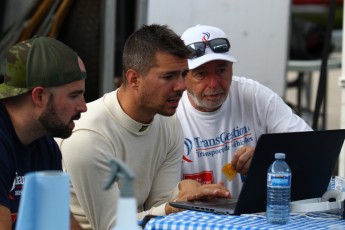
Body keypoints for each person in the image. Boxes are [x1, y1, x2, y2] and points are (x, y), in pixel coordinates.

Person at [57, 24, 230, 230]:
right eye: (168, 77)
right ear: (133, 79)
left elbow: (159, 204)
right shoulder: (87, 136)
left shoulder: (169, 120)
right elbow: (113, 226)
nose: (182, 86)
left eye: (184, 74)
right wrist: (174, 205)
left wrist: (186, 193)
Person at [176, 25, 313, 199]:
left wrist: (267, 157)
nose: (213, 84)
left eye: (221, 70)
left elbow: (311, 150)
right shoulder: (170, 111)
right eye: (201, 74)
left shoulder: (253, 94)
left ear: (232, 68)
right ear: (182, 75)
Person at [0, 36, 87, 230]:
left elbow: (60, 220)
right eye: (74, 95)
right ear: (39, 96)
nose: (83, 107)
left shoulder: (45, 144)